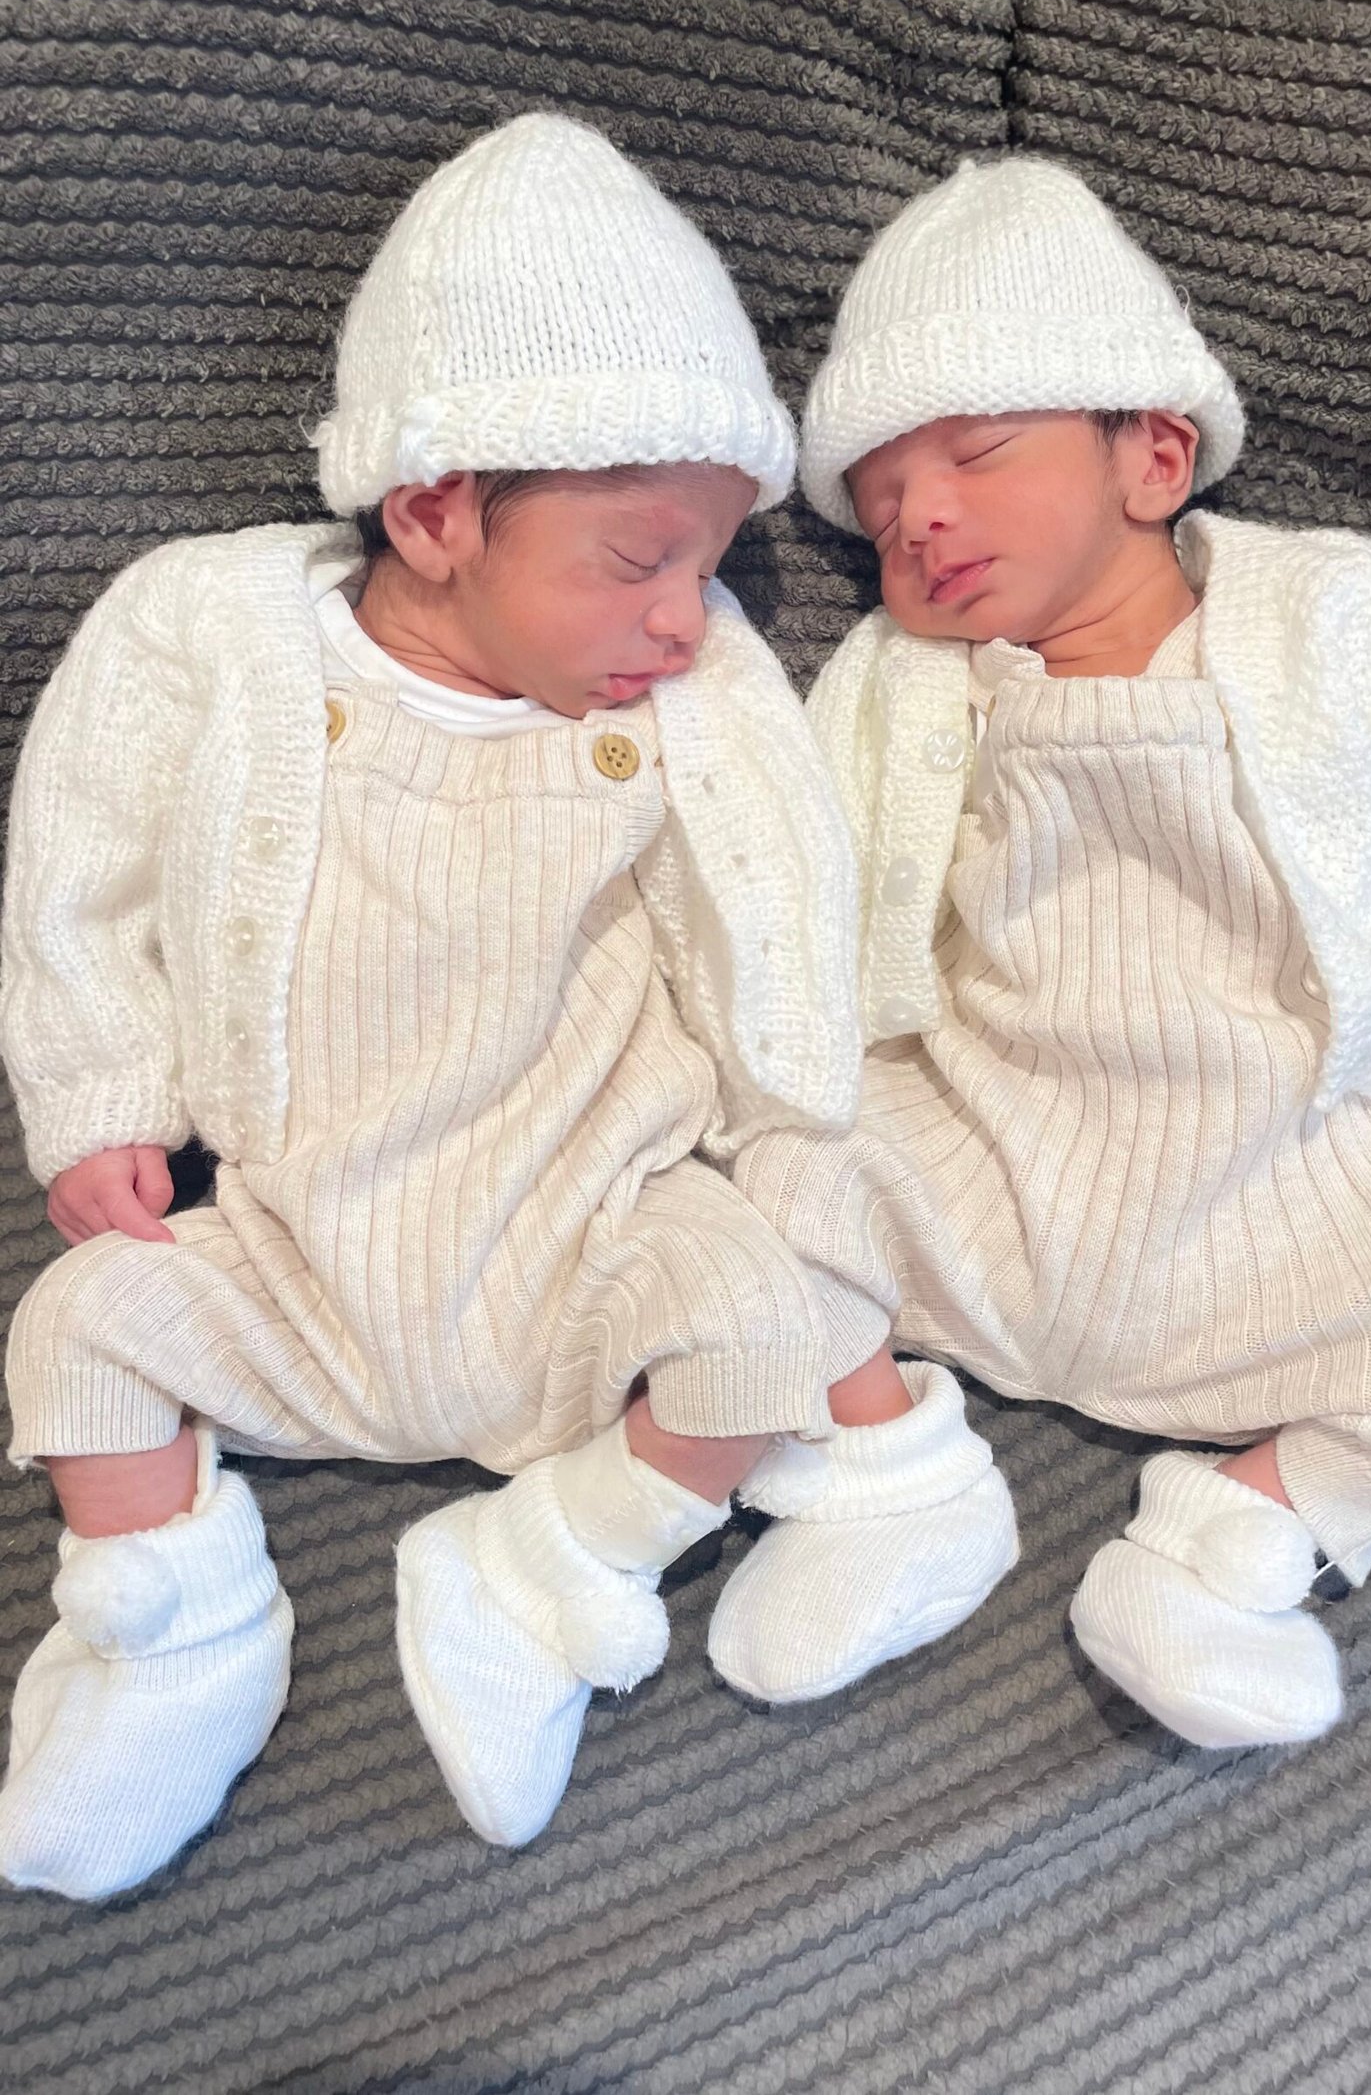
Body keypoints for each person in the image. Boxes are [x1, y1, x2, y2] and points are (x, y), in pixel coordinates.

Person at [0, 117, 1016, 1900]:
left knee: (765, 1327)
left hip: (583, 1234)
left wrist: (789, 1115)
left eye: (710, 568)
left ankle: (556, 1561)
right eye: (638, 563)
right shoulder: (217, 636)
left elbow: (782, 899)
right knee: (76, 1327)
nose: (686, 620)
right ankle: (171, 1631)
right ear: (435, 511)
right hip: (300, 1244)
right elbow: (79, 867)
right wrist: (98, 1100)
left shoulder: (689, 705)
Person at [715, 154, 1371, 1749]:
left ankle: (1224, 1550)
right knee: (755, 1186)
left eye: (975, 456)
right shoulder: (905, 676)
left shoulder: (1351, 615)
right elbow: (806, 883)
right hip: (987, 1129)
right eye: (881, 506)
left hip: (1274, 1150)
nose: (921, 518)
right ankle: (890, 1475)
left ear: (1157, 454)